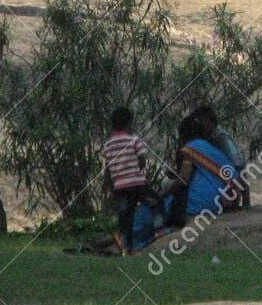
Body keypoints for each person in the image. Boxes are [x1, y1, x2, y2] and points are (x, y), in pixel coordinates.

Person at [165, 113, 243, 224]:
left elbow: (183, 179)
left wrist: (165, 192)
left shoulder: (191, 148)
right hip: (226, 202)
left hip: (201, 206)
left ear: (183, 135)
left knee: (172, 200)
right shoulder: (212, 149)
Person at [101, 107, 154, 255]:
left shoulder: (108, 145)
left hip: (120, 187)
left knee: (125, 217)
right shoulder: (134, 140)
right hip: (137, 184)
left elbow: (107, 169)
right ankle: (158, 230)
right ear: (130, 123)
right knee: (154, 201)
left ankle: (127, 248)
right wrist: (137, 171)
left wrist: (110, 187)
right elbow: (142, 160)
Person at [191, 104, 249, 209]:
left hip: (226, 192)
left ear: (208, 121)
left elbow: (239, 166)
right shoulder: (204, 140)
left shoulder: (221, 138)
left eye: (200, 122)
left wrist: (246, 201)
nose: (199, 126)